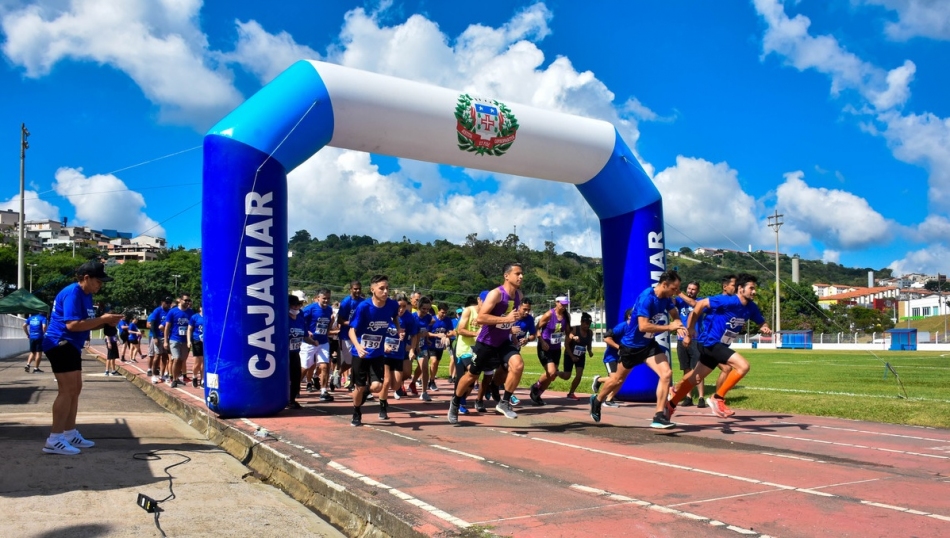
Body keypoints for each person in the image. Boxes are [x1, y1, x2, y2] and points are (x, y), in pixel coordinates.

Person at [41, 260, 123, 455]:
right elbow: (72, 325)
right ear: (86, 278)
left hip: (71, 345)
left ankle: (69, 433)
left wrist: (105, 322)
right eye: (98, 281)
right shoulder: (73, 293)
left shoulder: (86, 294)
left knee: (75, 389)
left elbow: (85, 323)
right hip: (60, 342)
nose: (100, 285)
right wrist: (102, 320)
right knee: (67, 390)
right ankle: (54, 438)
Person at [590, 270, 685, 429]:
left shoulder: (666, 298)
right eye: (674, 288)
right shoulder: (647, 298)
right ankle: (597, 400)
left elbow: (674, 311)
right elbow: (643, 326)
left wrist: (679, 323)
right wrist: (670, 327)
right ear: (664, 285)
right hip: (631, 347)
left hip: (648, 345)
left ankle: (659, 415)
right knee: (617, 380)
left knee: (666, 373)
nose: (676, 292)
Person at [669, 273, 772, 418]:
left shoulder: (751, 307)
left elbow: (761, 321)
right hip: (710, 342)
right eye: (751, 288)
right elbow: (700, 304)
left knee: (695, 379)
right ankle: (717, 398)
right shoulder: (727, 301)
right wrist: (690, 330)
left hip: (719, 346)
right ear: (740, 288)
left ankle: (670, 404)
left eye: (755, 289)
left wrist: (764, 327)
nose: (754, 291)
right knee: (743, 366)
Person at [448, 263, 525, 424]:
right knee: (471, 376)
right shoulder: (496, 294)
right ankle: (455, 402)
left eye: (522, 274)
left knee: (517, 365)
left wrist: (513, 319)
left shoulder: (519, 295)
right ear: (506, 276)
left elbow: (510, 317)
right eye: (517, 273)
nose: (521, 277)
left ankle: (504, 402)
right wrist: (506, 319)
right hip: (486, 343)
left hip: (503, 341)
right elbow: (481, 318)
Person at [349, 275, 401, 427]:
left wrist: (398, 329)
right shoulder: (364, 307)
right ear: (372, 290)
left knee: (377, 386)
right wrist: (358, 347)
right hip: (360, 353)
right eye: (381, 288)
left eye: (387, 288)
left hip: (377, 353)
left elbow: (395, 317)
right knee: (359, 386)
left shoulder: (392, 305)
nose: (385, 292)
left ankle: (364, 393)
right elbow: (351, 331)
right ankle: (356, 410)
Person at [529, 296, 571, 406]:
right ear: (556, 303)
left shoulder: (566, 316)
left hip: (556, 348)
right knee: (552, 372)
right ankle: (535, 386)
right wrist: (542, 341)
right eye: (562, 303)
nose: (564, 306)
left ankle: (537, 394)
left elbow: (567, 331)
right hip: (545, 347)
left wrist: (572, 336)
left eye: (566, 304)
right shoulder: (549, 315)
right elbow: (536, 328)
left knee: (552, 376)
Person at [384, 293, 418, 416]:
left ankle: (397, 385)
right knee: (386, 380)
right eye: (399, 306)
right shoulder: (386, 315)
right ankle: (383, 403)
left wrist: (413, 349)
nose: (401, 309)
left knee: (406, 374)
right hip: (385, 352)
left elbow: (414, 335)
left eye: (404, 306)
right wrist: (383, 344)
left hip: (401, 351)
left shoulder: (409, 318)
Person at [592, 309, 633, 408]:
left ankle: (609, 399)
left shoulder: (636, 328)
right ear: (629, 316)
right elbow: (606, 338)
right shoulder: (622, 326)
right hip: (611, 357)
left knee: (621, 380)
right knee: (615, 379)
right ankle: (599, 380)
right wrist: (619, 347)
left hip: (624, 357)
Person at [302, 289, 336, 402]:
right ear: (318, 298)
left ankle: (323, 391)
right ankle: (294, 388)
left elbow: (328, 327)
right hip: (309, 342)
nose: (326, 300)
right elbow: (299, 319)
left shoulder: (330, 310)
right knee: (305, 367)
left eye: (328, 298)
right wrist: (306, 332)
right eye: (324, 298)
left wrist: (332, 321)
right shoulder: (310, 308)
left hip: (323, 342)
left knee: (325, 366)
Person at [674, 281, 702, 407]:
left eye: (693, 289)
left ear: (698, 291)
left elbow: (694, 304)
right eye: (689, 289)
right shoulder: (680, 301)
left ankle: (701, 397)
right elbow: (670, 303)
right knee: (686, 369)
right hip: (681, 339)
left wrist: (679, 292)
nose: (690, 291)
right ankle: (688, 396)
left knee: (698, 369)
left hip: (696, 339)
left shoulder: (701, 301)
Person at [288, 294, 318, 409]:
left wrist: (313, 342)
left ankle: (292, 399)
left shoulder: (300, 317)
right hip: (283, 354)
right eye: (293, 305)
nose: (296, 307)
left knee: (296, 376)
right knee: (285, 377)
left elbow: (305, 335)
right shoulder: (283, 318)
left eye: (298, 305)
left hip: (295, 352)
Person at [336, 280, 364, 391]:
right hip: (346, 335)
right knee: (350, 361)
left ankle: (353, 383)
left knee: (358, 360)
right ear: (351, 289)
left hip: (358, 335)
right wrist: (353, 323)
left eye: (359, 289)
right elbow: (340, 320)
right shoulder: (346, 302)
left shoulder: (363, 302)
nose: (357, 291)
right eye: (355, 289)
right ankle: (338, 373)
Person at [163, 293, 195, 388]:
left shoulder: (190, 312)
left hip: (185, 341)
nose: (187, 302)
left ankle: (177, 378)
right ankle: (173, 379)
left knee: (182, 360)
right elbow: (167, 327)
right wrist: (165, 341)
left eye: (189, 300)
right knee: (176, 359)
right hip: (174, 339)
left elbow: (192, 326)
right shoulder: (173, 312)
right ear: (180, 300)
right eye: (185, 300)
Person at [560, 312, 594, 399]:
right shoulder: (574, 330)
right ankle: (556, 373)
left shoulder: (590, 333)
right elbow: (566, 344)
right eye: (586, 323)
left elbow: (589, 343)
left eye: (589, 324)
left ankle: (571, 393)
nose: (587, 326)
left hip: (581, 356)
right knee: (567, 376)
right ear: (581, 322)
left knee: (579, 375)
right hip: (569, 354)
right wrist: (572, 357)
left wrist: (590, 351)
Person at [425, 302, 455, 392]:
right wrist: (436, 335)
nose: (444, 314)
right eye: (442, 312)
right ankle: (428, 380)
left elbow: (451, 331)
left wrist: (447, 336)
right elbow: (426, 333)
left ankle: (432, 380)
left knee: (436, 363)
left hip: (440, 346)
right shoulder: (432, 320)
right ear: (438, 311)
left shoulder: (448, 320)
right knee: (433, 361)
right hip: (431, 344)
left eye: (446, 312)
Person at [147, 297, 172, 383]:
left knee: (165, 356)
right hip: (158, 336)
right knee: (157, 355)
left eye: (169, 303)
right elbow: (152, 324)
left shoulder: (170, 311)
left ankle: (162, 375)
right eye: (166, 302)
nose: (168, 304)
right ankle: (154, 375)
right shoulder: (157, 311)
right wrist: (154, 337)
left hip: (167, 337)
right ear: (162, 302)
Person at [187, 305, 205, 388]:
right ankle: (194, 376)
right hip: (197, 340)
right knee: (198, 361)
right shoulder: (195, 317)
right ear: (200, 308)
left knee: (204, 362)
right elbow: (189, 329)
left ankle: (203, 380)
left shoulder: (209, 316)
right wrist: (188, 341)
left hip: (206, 342)